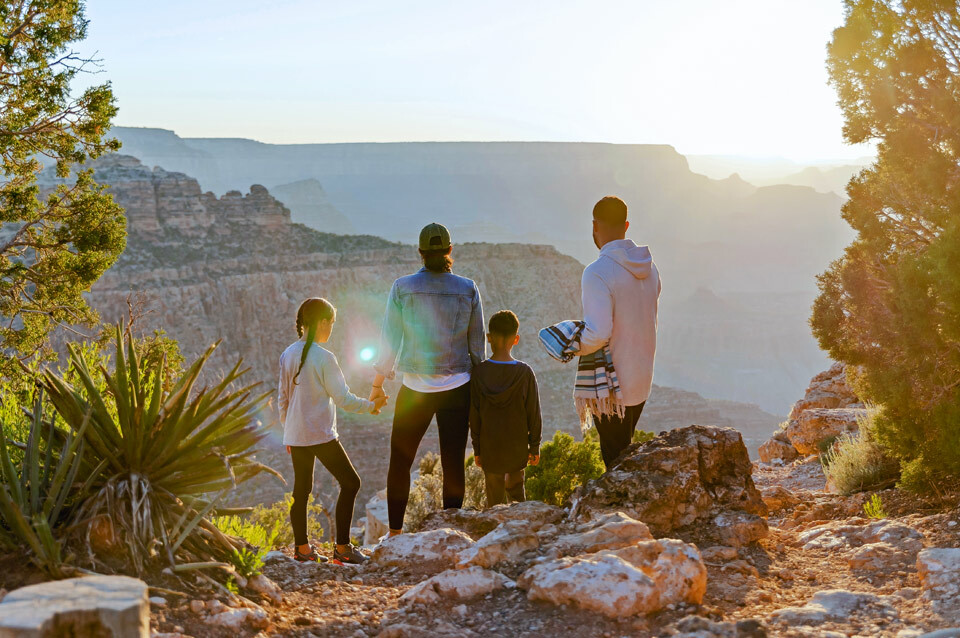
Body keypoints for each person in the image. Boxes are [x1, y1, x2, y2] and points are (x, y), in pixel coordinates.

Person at [370, 222, 485, 535]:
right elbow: (477, 346)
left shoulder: (402, 287)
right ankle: (450, 532)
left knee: (400, 461)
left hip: (415, 389)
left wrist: (378, 385)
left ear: (421, 253)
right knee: (452, 462)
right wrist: (481, 389)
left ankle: (394, 534)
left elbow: (389, 340)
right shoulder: (468, 288)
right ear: (449, 251)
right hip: (457, 389)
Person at [278, 297, 388, 564]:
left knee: (301, 491)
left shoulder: (288, 354)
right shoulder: (325, 358)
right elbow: (343, 399)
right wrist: (371, 406)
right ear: (322, 322)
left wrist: (289, 433)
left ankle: (302, 551)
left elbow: (283, 399)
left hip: (297, 434)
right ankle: (343, 549)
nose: (331, 330)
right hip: (320, 433)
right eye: (331, 324)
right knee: (351, 483)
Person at [579, 196, 661, 469]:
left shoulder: (597, 273)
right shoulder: (651, 269)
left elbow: (598, 333)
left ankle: (621, 509)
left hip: (612, 387)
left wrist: (568, 342)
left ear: (594, 226)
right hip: (642, 380)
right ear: (626, 225)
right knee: (623, 453)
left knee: (614, 463)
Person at [469, 310, 542, 507]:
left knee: (494, 499)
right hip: (517, 445)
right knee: (517, 494)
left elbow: (474, 415)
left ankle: (496, 533)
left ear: (489, 338)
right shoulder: (525, 373)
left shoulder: (479, 373)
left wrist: (477, 448)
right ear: (516, 339)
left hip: (489, 446)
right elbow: (533, 413)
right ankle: (519, 530)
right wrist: (534, 445)